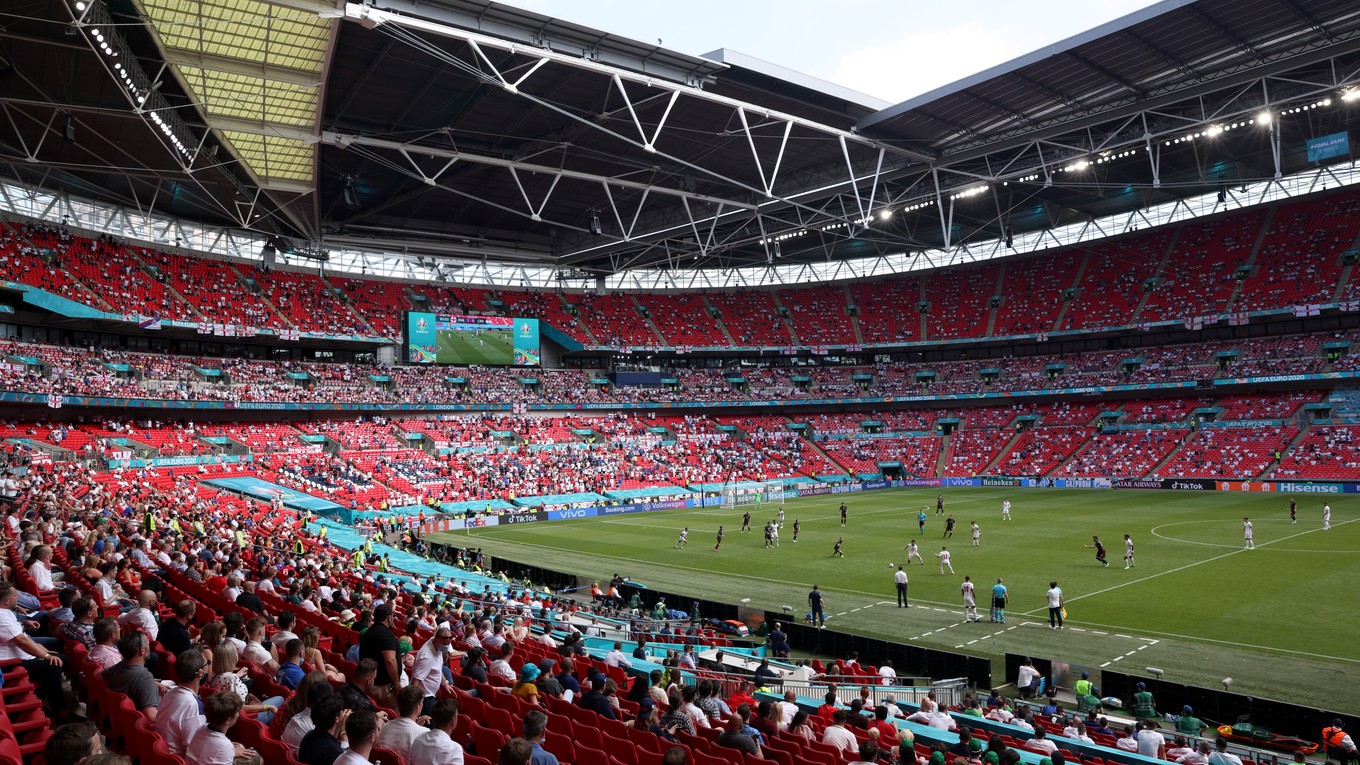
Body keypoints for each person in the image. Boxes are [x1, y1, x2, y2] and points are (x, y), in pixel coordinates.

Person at [187, 691, 259, 765]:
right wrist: (229, 750)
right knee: (256, 756)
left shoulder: (201, 728)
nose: (238, 714)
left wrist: (231, 751)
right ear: (228, 720)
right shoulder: (225, 746)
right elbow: (221, 747)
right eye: (237, 711)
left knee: (240, 746)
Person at [104, 631, 160, 721]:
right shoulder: (145, 677)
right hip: (141, 728)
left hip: (123, 723)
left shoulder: (119, 666)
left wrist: (154, 683)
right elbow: (151, 716)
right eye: (148, 644)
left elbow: (98, 675)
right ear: (142, 650)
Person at [359, 603, 401, 700]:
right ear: (389, 618)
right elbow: (390, 660)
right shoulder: (386, 634)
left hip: (371, 682)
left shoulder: (368, 631)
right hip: (383, 687)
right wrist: (396, 683)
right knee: (390, 713)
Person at [377, 686, 429, 760]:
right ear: (418, 708)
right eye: (422, 703)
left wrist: (416, 726)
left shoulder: (384, 727)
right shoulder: (424, 734)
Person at [297, 695, 347, 765]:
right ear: (336, 718)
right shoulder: (334, 751)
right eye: (341, 710)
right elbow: (347, 761)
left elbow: (330, 739)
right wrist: (344, 733)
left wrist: (339, 725)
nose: (343, 712)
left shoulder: (309, 735)